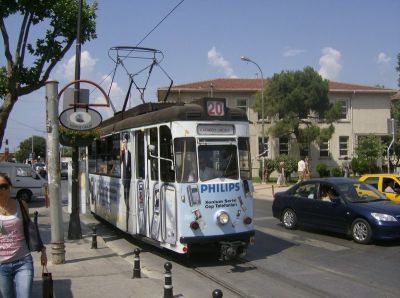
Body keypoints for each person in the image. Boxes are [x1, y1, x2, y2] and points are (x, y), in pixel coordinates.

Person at [0, 172, 47, 298]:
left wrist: (43, 250)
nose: (0, 190)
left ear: (10, 187)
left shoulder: (21, 205)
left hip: (23, 261)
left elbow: (31, 229)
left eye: (3, 186)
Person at [121, 134, 131, 232]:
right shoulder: (122, 154)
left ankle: (128, 223)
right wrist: (121, 152)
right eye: (123, 142)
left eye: (125, 142)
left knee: (128, 203)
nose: (125, 144)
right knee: (125, 201)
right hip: (124, 181)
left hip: (130, 180)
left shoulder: (131, 154)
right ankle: (126, 223)